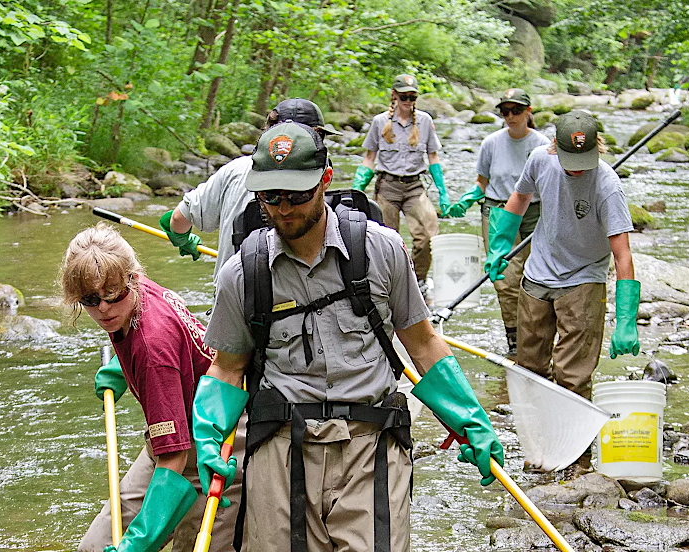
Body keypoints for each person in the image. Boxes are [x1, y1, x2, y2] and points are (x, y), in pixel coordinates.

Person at [191, 123, 503, 552]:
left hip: (372, 445)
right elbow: (227, 367)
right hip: (281, 454)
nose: (284, 209)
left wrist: (470, 420)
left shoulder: (380, 252)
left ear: (325, 182)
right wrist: (210, 431)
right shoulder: (242, 272)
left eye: (297, 195)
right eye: (271, 197)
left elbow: (422, 342)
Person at [66, 223, 246, 552]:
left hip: (222, 449)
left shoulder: (154, 344)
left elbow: (175, 461)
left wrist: (142, 541)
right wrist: (122, 373)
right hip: (175, 434)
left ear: (133, 278)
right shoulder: (135, 305)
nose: (103, 310)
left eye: (113, 296)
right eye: (89, 301)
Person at [486, 110, 640, 407]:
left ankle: (575, 451)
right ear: (555, 145)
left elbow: (622, 254)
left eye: (584, 163)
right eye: (571, 162)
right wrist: (500, 243)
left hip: (583, 278)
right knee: (529, 369)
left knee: (573, 376)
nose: (577, 170)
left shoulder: (607, 185)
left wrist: (626, 320)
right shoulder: (540, 159)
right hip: (538, 273)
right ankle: (536, 444)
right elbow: (520, 196)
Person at [160, 98, 335, 276]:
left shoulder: (234, 169)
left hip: (232, 292)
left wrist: (182, 239)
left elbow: (177, 219)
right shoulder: (317, 178)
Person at [446, 87, 547, 356]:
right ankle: (514, 338)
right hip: (497, 212)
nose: (510, 116)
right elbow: (482, 183)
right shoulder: (490, 143)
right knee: (504, 278)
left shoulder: (542, 145)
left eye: (516, 111)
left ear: (529, 112)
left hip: (534, 213)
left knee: (537, 276)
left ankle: (537, 335)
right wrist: (466, 200)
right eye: (505, 111)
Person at [353, 73, 450, 289]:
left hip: (414, 187)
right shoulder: (380, 122)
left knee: (427, 236)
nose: (408, 102)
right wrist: (357, 189)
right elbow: (370, 157)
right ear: (394, 95)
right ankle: (389, 283)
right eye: (404, 97)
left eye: (412, 97)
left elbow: (433, 157)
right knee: (385, 241)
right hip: (387, 186)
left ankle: (418, 281)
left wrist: (443, 191)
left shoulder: (425, 121)